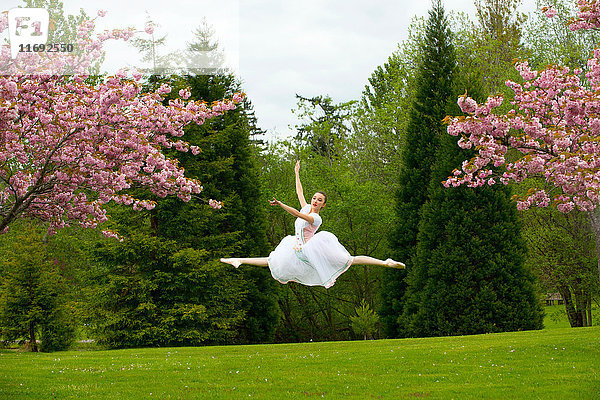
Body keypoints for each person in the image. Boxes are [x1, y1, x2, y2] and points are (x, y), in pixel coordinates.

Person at [220, 160, 405, 288]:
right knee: (272, 260)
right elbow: (299, 192)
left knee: (350, 260)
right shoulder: (307, 207)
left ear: (323, 205)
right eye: (315, 198)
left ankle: (385, 263)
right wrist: (296, 173)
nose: (315, 201)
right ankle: (239, 260)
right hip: (296, 248)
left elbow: (295, 213)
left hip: (311, 251)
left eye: (319, 200)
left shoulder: (316, 218)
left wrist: (281, 204)